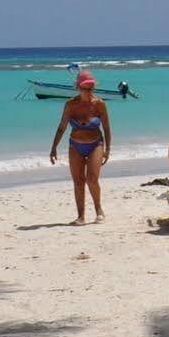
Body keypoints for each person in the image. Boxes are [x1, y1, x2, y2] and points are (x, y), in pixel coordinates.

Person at [48, 72, 110, 224]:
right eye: (85, 88)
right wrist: (54, 147)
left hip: (96, 144)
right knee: (78, 182)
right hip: (75, 145)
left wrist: (108, 149)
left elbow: (107, 128)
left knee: (92, 179)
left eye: (91, 87)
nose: (88, 91)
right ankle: (81, 216)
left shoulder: (99, 104)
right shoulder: (70, 104)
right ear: (78, 87)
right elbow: (62, 126)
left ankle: (99, 210)